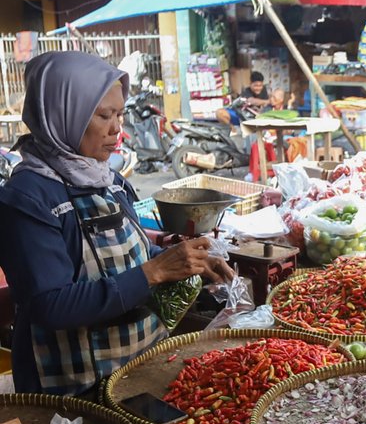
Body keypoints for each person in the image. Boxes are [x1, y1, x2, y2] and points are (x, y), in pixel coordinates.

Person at [0, 51, 233, 397]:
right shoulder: (28, 198)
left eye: (120, 114)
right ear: (64, 115)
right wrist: (153, 272)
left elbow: (130, 252)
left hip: (136, 364)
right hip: (73, 388)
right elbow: (48, 305)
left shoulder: (108, 178)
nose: (117, 129)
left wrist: (186, 262)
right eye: (103, 115)